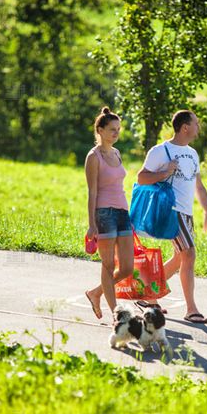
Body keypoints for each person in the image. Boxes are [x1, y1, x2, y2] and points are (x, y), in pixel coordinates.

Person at [137, 110, 207, 324]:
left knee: (179, 259)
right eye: (196, 123)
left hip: (187, 213)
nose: (198, 127)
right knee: (189, 255)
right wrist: (165, 172)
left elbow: (199, 187)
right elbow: (141, 178)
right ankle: (191, 309)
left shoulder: (193, 153)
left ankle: (147, 294)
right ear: (185, 127)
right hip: (172, 211)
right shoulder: (161, 151)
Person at [84, 107, 134, 320]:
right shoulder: (93, 157)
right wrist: (92, 223)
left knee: (127, 268)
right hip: (104, 214)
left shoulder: (117, 153)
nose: (116, 133)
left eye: (118, 129)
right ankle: (117, 315)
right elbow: (92, 191)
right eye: (112, 129)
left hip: (123, 212)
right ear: (100, 130)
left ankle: (96, 293)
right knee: (108, 265)